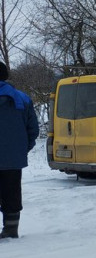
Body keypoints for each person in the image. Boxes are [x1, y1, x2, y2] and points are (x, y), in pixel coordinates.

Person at [0, 61, 39, 239]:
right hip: (12, 159)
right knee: (12, 192)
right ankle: (10, 228)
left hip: (13, 156)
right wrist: (21, 149)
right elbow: (32, 129)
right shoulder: (22, 99)